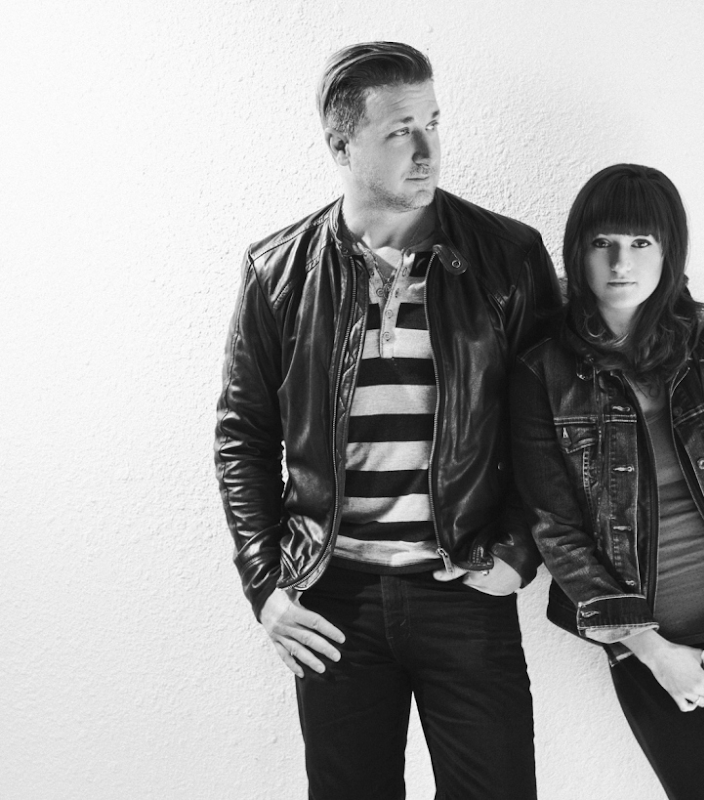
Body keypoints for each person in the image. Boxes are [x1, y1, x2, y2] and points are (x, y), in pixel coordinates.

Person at [215, 42, 560, 800]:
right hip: (331, 595)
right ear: (342, 146)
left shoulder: (508, 258)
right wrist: (265, 586)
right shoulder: (278, 272)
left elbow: (550, 428)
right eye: (401, 130)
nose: (428, 149)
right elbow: (243, 433)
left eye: (433, 121)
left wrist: (517, 552)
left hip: (465, 587)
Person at [509, 164, 704, 799]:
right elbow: (557, 531)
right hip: (650, 653)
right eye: (602, 243)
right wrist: (654, 651)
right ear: (577, 252)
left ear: (669, 251)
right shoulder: (541, 374)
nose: (620, 262)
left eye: (640, 242)